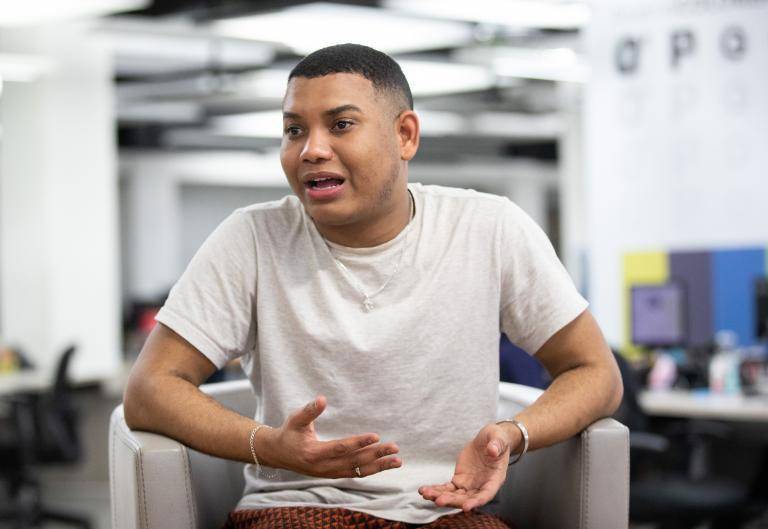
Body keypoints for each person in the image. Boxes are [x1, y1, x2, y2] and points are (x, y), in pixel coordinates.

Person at [123, 43, 623, 529]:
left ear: (404, 135)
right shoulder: (252, 238)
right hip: (299, 506)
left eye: (341, 125)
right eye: (294, 130)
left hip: (450, 509)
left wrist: (515, 434)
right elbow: (150, 389)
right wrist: (269, 445)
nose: (312, 150)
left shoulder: (489, 228)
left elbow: (596, 373)